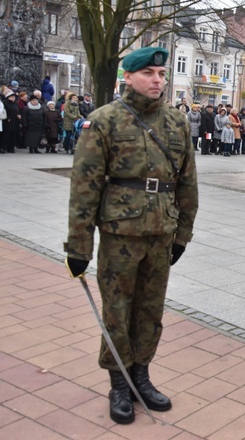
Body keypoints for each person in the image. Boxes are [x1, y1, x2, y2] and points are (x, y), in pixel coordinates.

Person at [64, 46, 198, 425]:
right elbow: (84, 187)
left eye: (161, 73)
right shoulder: (104, 121)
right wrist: (78, 246)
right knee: (118, 310)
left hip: (162, 232)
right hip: (120, 233)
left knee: (150, 310)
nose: (158, 79)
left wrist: (182, 234)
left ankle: (142, 372)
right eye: (149, 73)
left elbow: (187, 182)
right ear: (129, 77)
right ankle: (119, 382)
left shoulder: (176, 122)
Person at [1, 87, 20, 153]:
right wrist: (7, 117)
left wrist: (18, 115)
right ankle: (3, 147)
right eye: (11, 97)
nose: (13, 98)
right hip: (7, 121)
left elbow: (17, 111)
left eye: (14, 97)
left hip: (14, 121)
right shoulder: (5, 103)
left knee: (13, 135)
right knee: (6, 135)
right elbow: (4, 111)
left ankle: (11, 148)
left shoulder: (15, 104)